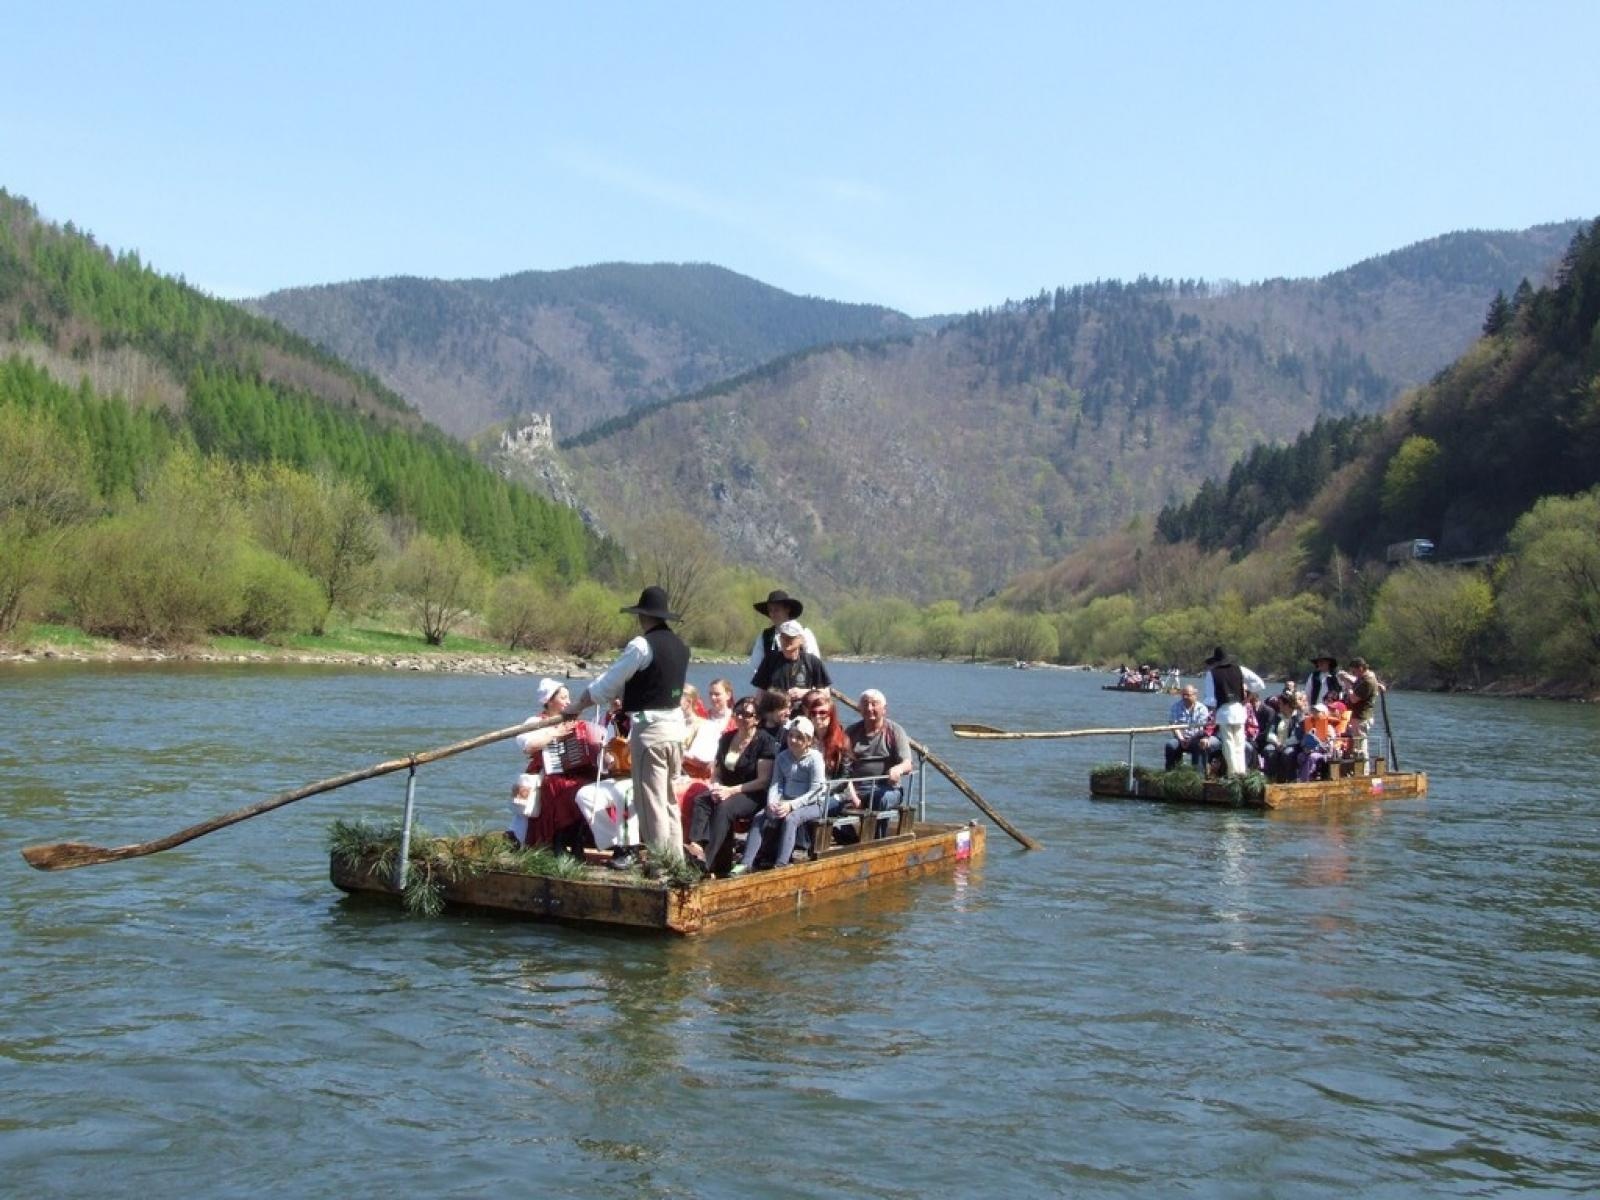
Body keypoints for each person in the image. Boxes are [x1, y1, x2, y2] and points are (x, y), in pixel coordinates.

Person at [563, 585, 690, 872]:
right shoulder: (681, 646)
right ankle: (676, 863)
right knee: (668, 799)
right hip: (675, 730)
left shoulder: (642, 646)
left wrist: (577, 706)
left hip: (652, 730)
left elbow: (608, 684)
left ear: (642, 615)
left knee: (651, 801)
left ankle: (660, 865)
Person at [686, 695, 779, 875]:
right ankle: (696, 846)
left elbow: (763, 780)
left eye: (747, 715)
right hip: (726, 789)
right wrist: (716, 787)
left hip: (752, 792)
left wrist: (730, 791)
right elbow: (717, 772)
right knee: (702, 800)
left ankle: (706, 864)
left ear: (757, 719)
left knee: (724, 808)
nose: (741, 717)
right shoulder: (727, 738)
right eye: (738, 713)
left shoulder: (765, 742)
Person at [508, 677, 603, 852]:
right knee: (560, 787)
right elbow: (528, 746)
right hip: (546, 772)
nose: (568, 702)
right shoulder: (536, 722)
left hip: (574, 773)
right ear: (549, 701)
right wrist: (555, 733)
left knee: (586, 785)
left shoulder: (576, 723)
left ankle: (577, 840)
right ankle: (558, 841)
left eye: (569, 697)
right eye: (563, 698)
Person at [732, 716, 829, 874]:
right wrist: (772, 802)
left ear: (809, 740)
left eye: (799, 737)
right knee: (759, 817)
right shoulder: (782, 757)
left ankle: (781, 864)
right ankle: (746, 863)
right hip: (786, 800)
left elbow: (816, 790)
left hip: (813, 804)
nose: (793, 740)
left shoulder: (815, 759)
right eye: (791, 735)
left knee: (791, 819)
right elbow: (776, 784)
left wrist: (791, 805)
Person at [840, 688, 915, 818]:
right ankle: (850, 838)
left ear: (884, 709)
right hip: (856, 788)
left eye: (874, 704)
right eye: (865, 704)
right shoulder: (851, 732)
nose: (869, 708)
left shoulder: (895, 731)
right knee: (829, 803)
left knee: (878, 800)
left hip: (887, 788)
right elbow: (842, 768)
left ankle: (877, 837)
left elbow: (907, 764)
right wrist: (851, 794)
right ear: (859, 708)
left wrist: (897, 769)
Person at [1200, 646, 1266, 778]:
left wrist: (1212, 713)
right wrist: (1248, 697)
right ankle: (1242, 771)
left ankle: (1233, 773)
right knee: (1240, 742)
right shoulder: (1240, 669)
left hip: (1224, 712)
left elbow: (1211, 699)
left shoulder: (1211, 673)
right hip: (1239, 710)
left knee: (1229, 743)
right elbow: (1259, 684)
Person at [751, 620, 832, 711]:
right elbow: (760, 693)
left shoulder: (812, 661)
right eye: (783, 637)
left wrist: (804, 693)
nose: (786, 641)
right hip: (775, 715)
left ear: (801, 640)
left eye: (791, 637)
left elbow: (825, 693)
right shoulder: (770, 660)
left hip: (804, 716)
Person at [746, 589, 820, 680]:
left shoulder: (805, 633)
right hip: (772, 690)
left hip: (801, 688)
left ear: (787, 609)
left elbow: (815, 665)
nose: (772, 614)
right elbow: (755, 668)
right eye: (770, 610)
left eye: (776, 610)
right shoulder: (764, 637)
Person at [1346, 657, 1384, 769]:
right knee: (1357, 746)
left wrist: (1348, 688)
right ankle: (1360, 769)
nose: (1354, 674)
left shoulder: (1368, 681)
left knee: (1361, 747)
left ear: (1361, 668)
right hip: (1358, 717)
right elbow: (1358, 683)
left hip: (1361, 717)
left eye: (1354, 671)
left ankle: (1364, 771)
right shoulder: (1366, 677)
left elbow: (1353, 698)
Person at [1164, 685, 1210, 770]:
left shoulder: (1202, 708)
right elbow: (1174, 725)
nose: (1185, 697)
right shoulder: (1176, 706)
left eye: (1188, 695)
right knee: (1170, 745)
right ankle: (1171, 774)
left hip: (1196, 738)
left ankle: (1197, 775)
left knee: (1200, 746)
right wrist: (1181, 739)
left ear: (1195, 695)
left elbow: (1202, 728)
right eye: (1183, 695)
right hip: (1180, 738)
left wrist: (1190, 740)